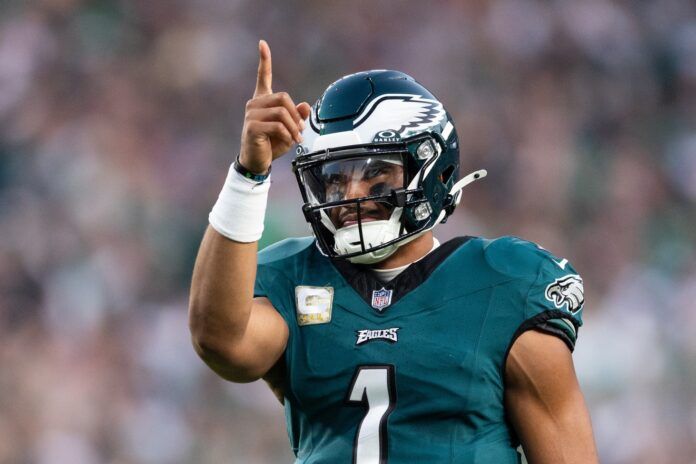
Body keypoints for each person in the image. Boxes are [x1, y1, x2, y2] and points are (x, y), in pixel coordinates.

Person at [189, 40, 599, 463]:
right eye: (333, 179)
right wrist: (248, 174)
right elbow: (222, 343)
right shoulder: (295, 276)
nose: (350, 196)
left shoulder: (505, 284)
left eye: (376, 175)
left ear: (432, 170)